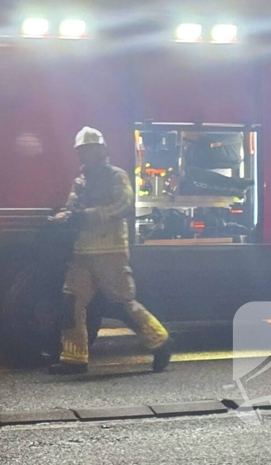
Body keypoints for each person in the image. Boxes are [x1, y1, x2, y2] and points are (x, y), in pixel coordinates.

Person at [48, 126, 172, 375]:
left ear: (101, 150)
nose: (84, 156)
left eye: (88, 150)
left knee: (123, 302)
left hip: (110, 250)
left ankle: (160, 342)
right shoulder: (81, 181)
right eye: (81, 151)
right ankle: (74, 357)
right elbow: (73, 207)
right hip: (83, 251)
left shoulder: (116, 176)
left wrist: (95, 215)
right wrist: (62, 216)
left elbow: (125, 204)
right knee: (71, 302)